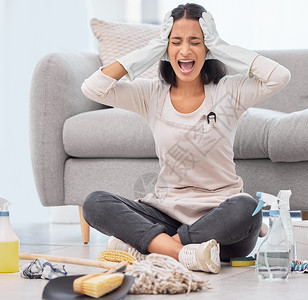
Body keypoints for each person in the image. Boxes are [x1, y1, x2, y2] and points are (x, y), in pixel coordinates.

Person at [81, 3, 290, 274]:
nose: (185, 50)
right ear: (165, 49)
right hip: (167, 213)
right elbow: (92, 88)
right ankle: (183, 254)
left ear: (208, 48)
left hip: (222, 221)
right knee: (95, 202)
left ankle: (156, 248)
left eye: (196, 41)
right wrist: (152, 48)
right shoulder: (151, 94)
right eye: (175, 42)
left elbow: (279, 76)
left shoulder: (228, 91)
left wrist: (221, 45)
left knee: (247, 207)